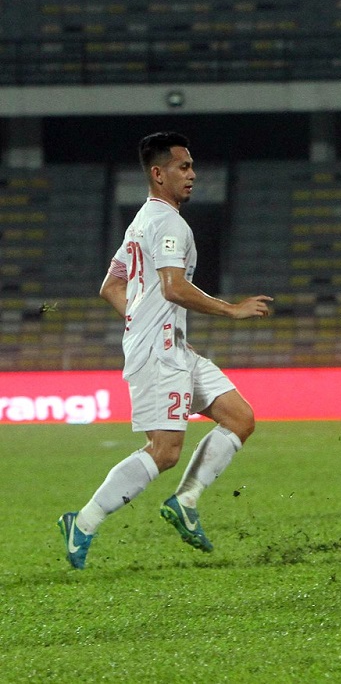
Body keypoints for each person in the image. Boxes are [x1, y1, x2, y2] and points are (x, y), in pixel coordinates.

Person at [56, 132, 273, 569]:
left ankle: (185, 502)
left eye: (192, 166)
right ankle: (84, 521)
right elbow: (173, 287)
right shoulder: (169, 224)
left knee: (240, 418)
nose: (192, 175)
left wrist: (143, 320)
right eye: (182, 167)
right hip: (159, 353)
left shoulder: (142, 222)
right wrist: (231, 310)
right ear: (158, 174)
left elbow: (111, 287)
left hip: (172, 347)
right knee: (165, 450)